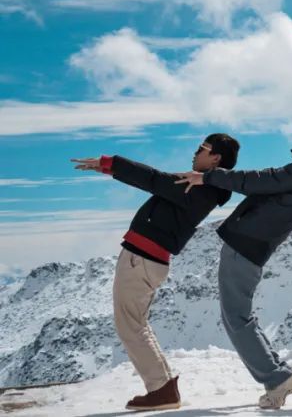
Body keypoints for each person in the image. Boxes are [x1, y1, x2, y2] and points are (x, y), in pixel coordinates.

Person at [175, 119, 292, 409]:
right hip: (250, 246)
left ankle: (276, 378)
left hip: (245, 245)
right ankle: (277, 374)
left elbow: (256, 180)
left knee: (236, 317)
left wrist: (209, 177)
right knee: (240, 316)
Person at [71, 134, 239, 411]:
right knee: (134, 323)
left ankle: (161, 390)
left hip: (142, 259)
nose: (195, 152)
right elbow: (156, 181)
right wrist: (110, 167)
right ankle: (163, 388)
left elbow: (153, 179)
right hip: (143, 258)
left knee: (130, 325)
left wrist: (111, 163)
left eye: (201, 148)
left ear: (215, 158)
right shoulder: (201, 186)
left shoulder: (200, 189)